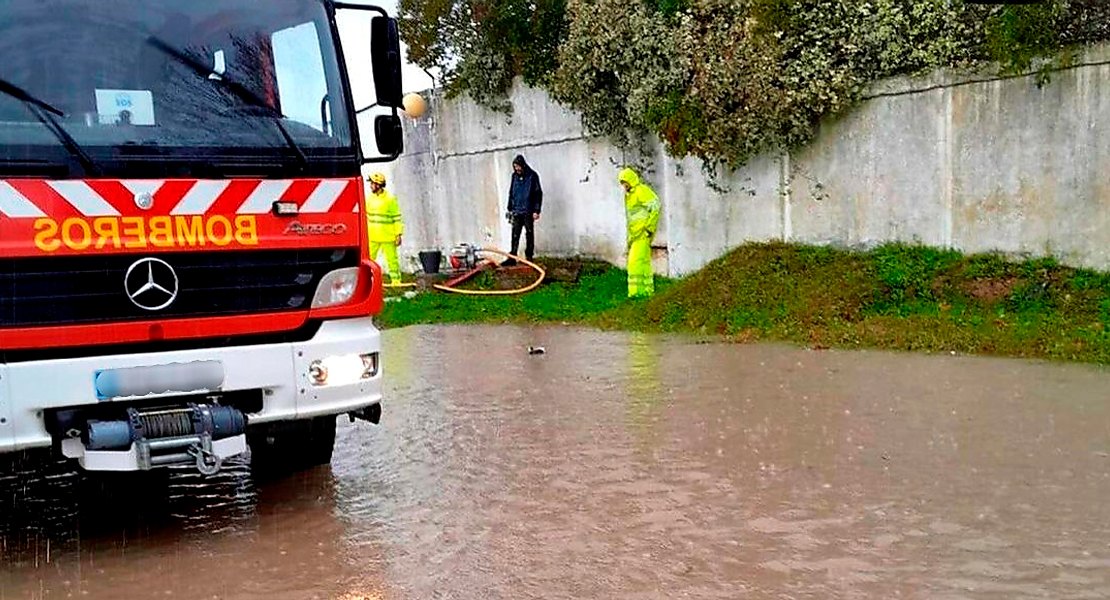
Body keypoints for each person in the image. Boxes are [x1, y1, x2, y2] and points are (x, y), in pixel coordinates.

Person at [619, 167, 661, 298]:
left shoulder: (641, 191)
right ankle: (646, 291)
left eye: (624, 182)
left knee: (634, 262)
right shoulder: (630, 195)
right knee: (642, 262)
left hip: (643, 232)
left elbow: (656, 205)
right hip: (636, 234)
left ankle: (636, 292)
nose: (623, 186)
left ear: (630, 181)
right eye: (621, 183)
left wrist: (649, 227)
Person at [365, 172, 404, 284]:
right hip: (372, 236)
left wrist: (398, 234)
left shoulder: (390, 199)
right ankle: (368, 281)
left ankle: (396, 281)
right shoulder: (369, 198)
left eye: (372, 184)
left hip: (387, 236)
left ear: (378, 185)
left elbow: (397, 218)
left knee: (392, 260)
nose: (371, 186)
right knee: (369, 260)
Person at [505, 154, 542, 265]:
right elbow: (511, 192)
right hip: (517, 210)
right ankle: (512, 257)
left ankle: (529, 257)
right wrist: (510, 207)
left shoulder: (532, 176)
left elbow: (537, 194)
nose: (517, 169)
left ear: (523, 165)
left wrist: (536, 210)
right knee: (515, 234)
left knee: (529, 234)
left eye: (518, 166)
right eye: (515, 167)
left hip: (528, 210)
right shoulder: (514, 176)